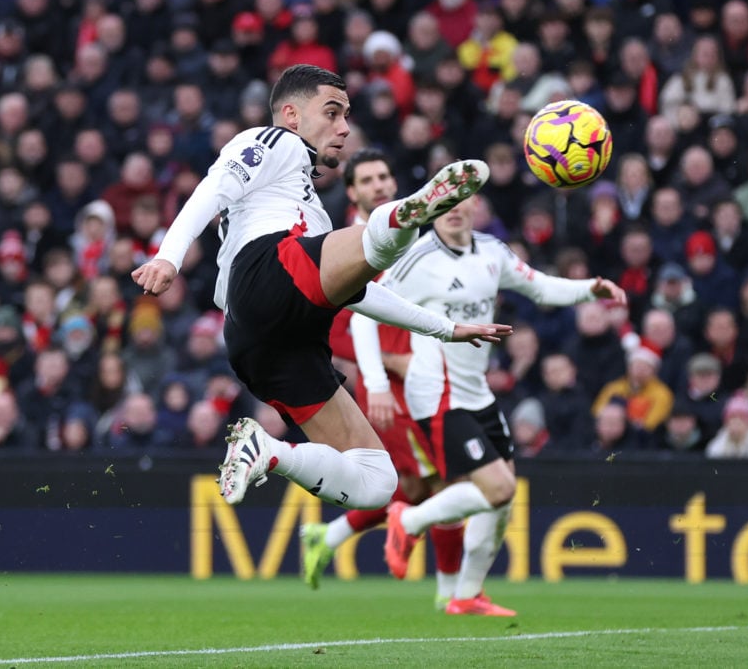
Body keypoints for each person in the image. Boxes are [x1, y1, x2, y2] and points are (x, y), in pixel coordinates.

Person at [131, 65, 504, 514]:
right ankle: (413, 209)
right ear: (291, 114)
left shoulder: (313, 211)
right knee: (373, 241)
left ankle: (269, 452)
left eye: (346, 115)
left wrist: (445, 328)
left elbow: (357, 291)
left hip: (268, 341)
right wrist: (169, 255)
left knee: (376, 482)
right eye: (332, 112)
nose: (344, 127)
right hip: (267, 273)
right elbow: (212, 190)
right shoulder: (274, 141)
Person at [358, 193, 625, 616]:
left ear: (475, 208)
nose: (454, 211)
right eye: (444, 205)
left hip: (477, 391)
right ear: (432, 211)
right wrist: (374, 383)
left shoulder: (491, 251)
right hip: (436, 392)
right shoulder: (418, 256)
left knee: (503, 498)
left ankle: (466, 594)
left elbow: (538, 286)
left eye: (462, 203)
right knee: (497, 487)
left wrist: (588, 289)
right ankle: (407, 521)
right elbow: (362, 311)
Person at [299, 149, 464, 607]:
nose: (380, 185)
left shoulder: (413, 236)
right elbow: (346, 324)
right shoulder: (344, 245)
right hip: (387, 390)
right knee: (446, 486)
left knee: (412, 488)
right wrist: (382, 372)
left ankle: (326, 537)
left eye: (385, 175)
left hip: (416, 381)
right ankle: (455, 596)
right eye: (368, 180)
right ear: (351, 192)